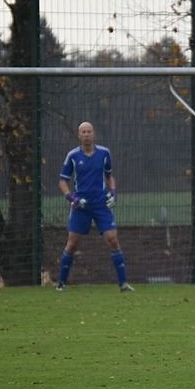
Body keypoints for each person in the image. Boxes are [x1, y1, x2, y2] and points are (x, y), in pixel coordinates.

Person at [56, 121, 133, 292]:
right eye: (83, 132)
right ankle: (61, 283)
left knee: (113, 239)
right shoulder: (73, 156)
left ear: (94, 134)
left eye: (89, 131)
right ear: (79, 135)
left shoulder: (104, 153)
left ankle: (123, 284)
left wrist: (113, 192)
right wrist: (72, 198)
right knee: (72, 244)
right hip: (81, 206)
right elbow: (62, 181)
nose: (86, 135)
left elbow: (109, 176)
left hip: (101, 204)